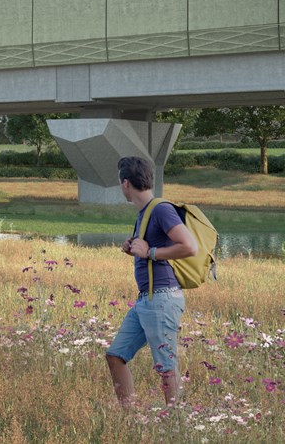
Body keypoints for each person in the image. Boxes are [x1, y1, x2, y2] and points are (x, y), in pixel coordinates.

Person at [105, 156, 197, 407]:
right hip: (147, 299)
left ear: (125, 183)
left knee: (166, 365)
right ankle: (131, 417)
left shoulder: (161, 209)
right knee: (115, 355)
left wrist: (151, 253)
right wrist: (133, 247)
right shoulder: (145, 213)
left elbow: (189, 247)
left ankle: (175, 422)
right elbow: (151, 247)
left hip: (162, 297)